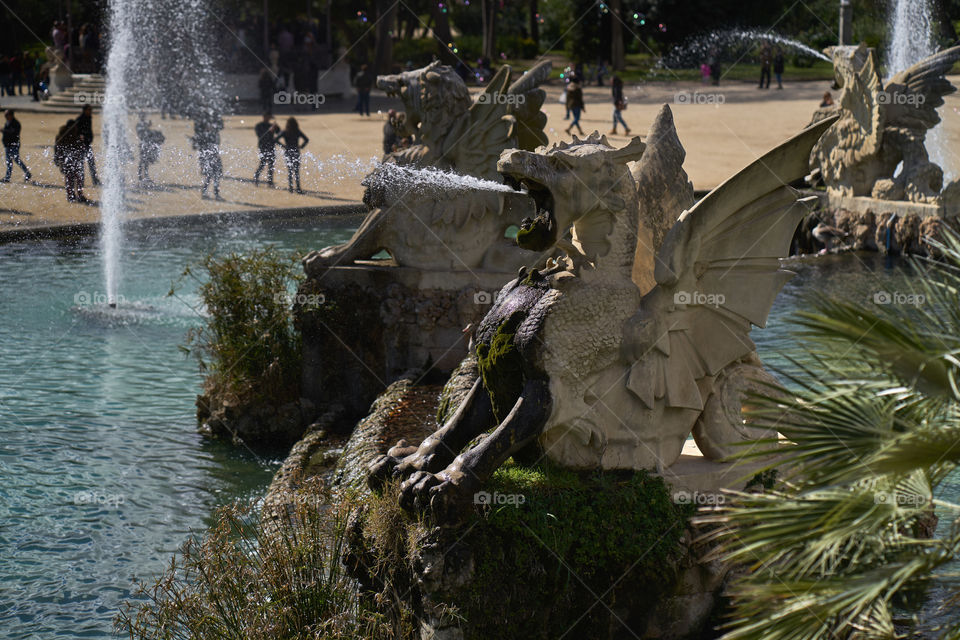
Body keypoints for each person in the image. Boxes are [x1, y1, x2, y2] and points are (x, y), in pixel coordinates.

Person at [191, 113, 224, 199]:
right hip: (207, 158)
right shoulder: (203, 136)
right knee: (209, 177)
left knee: (217, 176)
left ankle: (216, 193)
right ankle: (205, 193)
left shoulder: (215, 134)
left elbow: (216, 146)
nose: (210, 126)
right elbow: (196, 147)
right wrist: (195, 142)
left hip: (215, 157)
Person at [54, 118, 86, 202]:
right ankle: (72, 195)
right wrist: (57, 159)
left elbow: (80, 148)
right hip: (68, 161)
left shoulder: (76, 135)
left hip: (74, 160)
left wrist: (81, 141)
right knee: (71, 179)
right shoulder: (62, 136)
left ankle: (77, 195)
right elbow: (58, 148)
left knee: (76, 179)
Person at [274, 116, 308, 193]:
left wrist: (283, 146)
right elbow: (306, 139)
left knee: (290, 171)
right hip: (296, 151)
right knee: (296, 171)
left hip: (288, 151)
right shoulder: (297, 131)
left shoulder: (285, 131)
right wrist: (301, 146)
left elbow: (275, 139)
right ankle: (298, 188)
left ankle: (291, 188)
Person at [2, 110, 32, 183]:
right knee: (9, 161)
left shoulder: (16, 124)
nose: (5, 116)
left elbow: (13, 133)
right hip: (8, 145)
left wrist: (3, 131)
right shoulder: (8, 122)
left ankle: (27, 173)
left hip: (13, 145)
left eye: (6, 115)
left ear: (11, 115)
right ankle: (8, 177)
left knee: (16, 160)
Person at [136, 112, 164, 184]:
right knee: (142, 161)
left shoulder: (144, 124)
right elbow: (141, 134)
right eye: (142, 116)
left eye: (144, 116)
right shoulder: (139, 125)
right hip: (143, 145)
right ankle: (140, 176)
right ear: (140, 117)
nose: (143, 117)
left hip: (147, 144)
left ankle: (146, 176)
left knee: (146, 162)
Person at [76, 105, 100, 185]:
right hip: (81, 145)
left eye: (91, 110)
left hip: (87, 144)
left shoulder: (89, 118)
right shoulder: (80, 119)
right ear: (85, 110)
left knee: (91, 163)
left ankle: (95, 180)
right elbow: (76, 131)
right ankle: (81, 181)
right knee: (81, 164)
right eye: (89, 110)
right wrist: (80, 137)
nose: (90, 111)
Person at [254, 113, 279, 186]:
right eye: (267, 117)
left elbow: (278, 132)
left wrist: (276, 127)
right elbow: (260, 135)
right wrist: (269, 131)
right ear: (264, 117)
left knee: (271, 165)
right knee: (262, 164)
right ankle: (256, 178)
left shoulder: (271, 125)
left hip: (271, 146)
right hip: (263, 146)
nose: (268, 118)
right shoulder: (259, 126)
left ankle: (270, 181)